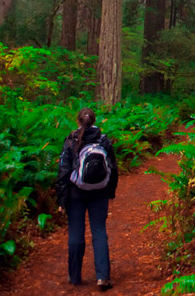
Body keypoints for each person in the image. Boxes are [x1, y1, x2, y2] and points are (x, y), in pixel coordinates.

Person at [56, 108, 118, 290]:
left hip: (76, 194)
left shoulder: (71, 140)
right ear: (94, 120)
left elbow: (63, 172)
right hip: (100, 192)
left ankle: (74, 276)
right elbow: (113, 167)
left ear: (77, 121)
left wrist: (61, 200)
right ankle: (103, 277)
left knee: (76, 234)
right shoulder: (103, 139)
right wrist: (111, 191)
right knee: (99, 231)